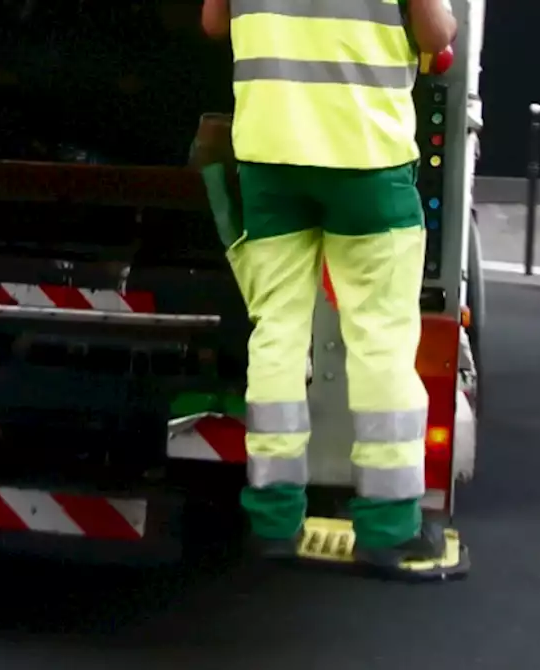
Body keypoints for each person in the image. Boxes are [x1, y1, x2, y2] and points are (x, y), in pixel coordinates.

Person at [200, 0, 457, 570]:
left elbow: (214, 22)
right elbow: (435, 31)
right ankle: (388, 529)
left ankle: (271, 521)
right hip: (366, 161)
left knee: (276, 334)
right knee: (380, 340)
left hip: (269, 159)